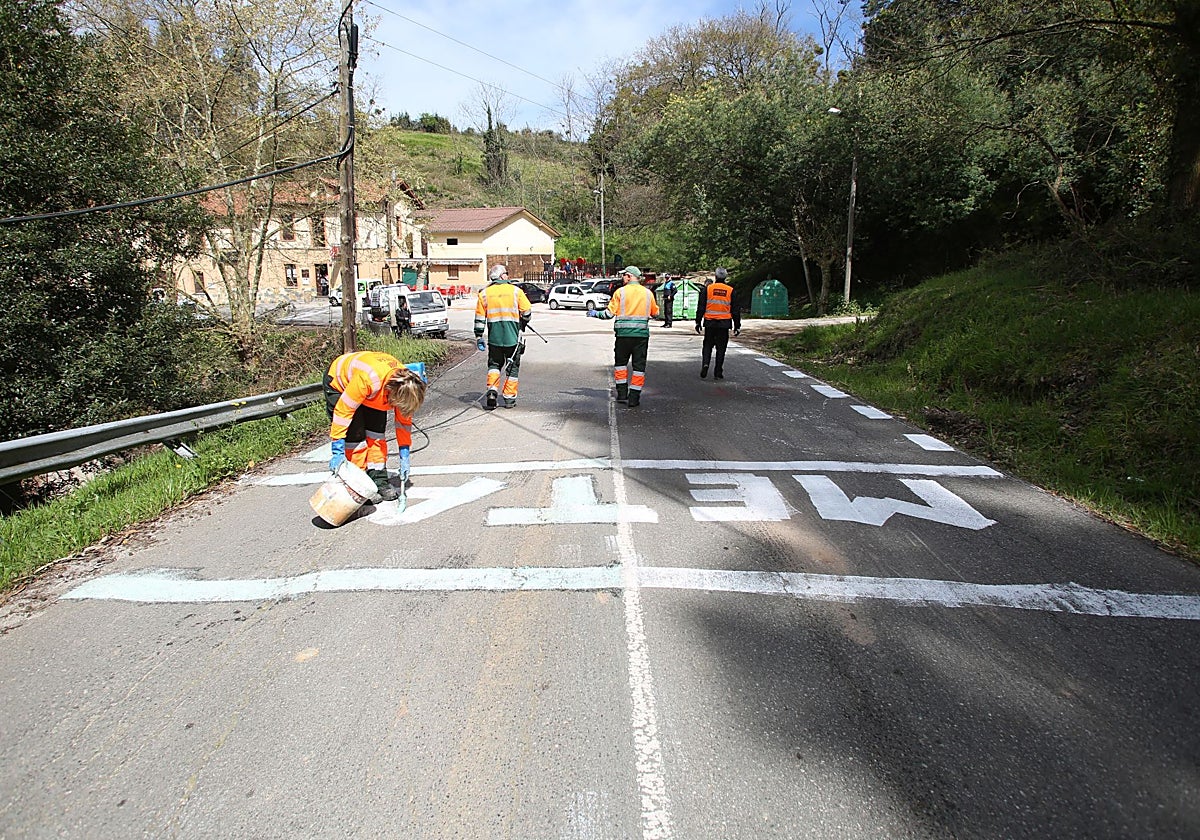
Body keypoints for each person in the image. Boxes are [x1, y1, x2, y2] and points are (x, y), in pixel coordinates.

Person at [325, 352, 427, 503]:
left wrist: (404, 452)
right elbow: (343, 412)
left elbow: (403, 423)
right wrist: (337, 449)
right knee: (355, 437)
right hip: (340, 383)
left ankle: (379, 480)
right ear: (392, 394)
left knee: (376, 434)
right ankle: (357, 485)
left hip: (375, 391)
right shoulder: (369, 380)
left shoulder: (404, 386)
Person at [588, 265, 659, 407]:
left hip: (623, 336)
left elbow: (608, 314)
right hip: (641, 337)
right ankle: (634, 398)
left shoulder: (620, 292)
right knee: (639, 368)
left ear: (629, 276)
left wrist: (595, 313)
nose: (622, 278)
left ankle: (622, 394)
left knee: (621, 365)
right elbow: (655, 313)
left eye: (623, 275)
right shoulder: (647, 293)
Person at [474, 264, 532, 410]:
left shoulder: (484, 294)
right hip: (512, 339)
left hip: (494, 339)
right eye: (506, 273)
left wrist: (479, 336)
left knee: (494, 366)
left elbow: (480, 318)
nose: (508, 275)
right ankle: (509, 399)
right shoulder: (516, 291)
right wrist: (522, 322)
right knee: (512, 369)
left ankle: (492, 391)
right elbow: (527, 312)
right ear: (502, 276)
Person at [695, 267, 741, 380]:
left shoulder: (708, 289)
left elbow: (701, 307)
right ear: (725, 277)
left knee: (707, 345)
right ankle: (718, 371)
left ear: (715, 277)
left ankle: (705, 363)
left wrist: (698, 322)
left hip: (710, 322)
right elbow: (735, 310)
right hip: (724, 324)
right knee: (721, 348)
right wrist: (737, 325)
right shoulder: (730, 290)